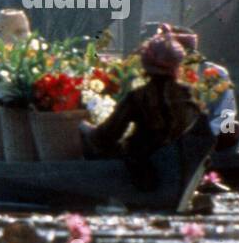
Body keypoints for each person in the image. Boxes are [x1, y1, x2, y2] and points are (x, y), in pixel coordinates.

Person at [82, 33, 203, 184]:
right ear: (177, 65)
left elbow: (107, 136)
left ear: (146, 65)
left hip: (145, 168)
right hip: (180, 165)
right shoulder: (190, 94)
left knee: (85, 132)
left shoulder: (138, 97)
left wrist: (86, 130)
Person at [158, 23, 238, 150]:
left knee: (233, 129)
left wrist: (202, 136)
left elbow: (226, 113)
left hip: (205, 138)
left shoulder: (216, 74)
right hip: (165, 141)